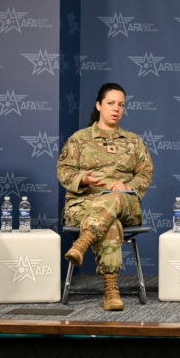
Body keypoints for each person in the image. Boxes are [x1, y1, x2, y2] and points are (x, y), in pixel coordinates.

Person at [57, 83, 154, 311]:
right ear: (99, 105)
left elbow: (146, 173)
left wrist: (127, 185)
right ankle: (111, 290)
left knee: (115, 197)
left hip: (125, 202)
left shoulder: (133, 141)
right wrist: (84, 179)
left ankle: (83, 243)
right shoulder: (79, 139)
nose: (116, 109)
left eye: (121, 105)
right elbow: (64, 171)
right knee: (110, 224)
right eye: (111, 103)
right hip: (84, 203)